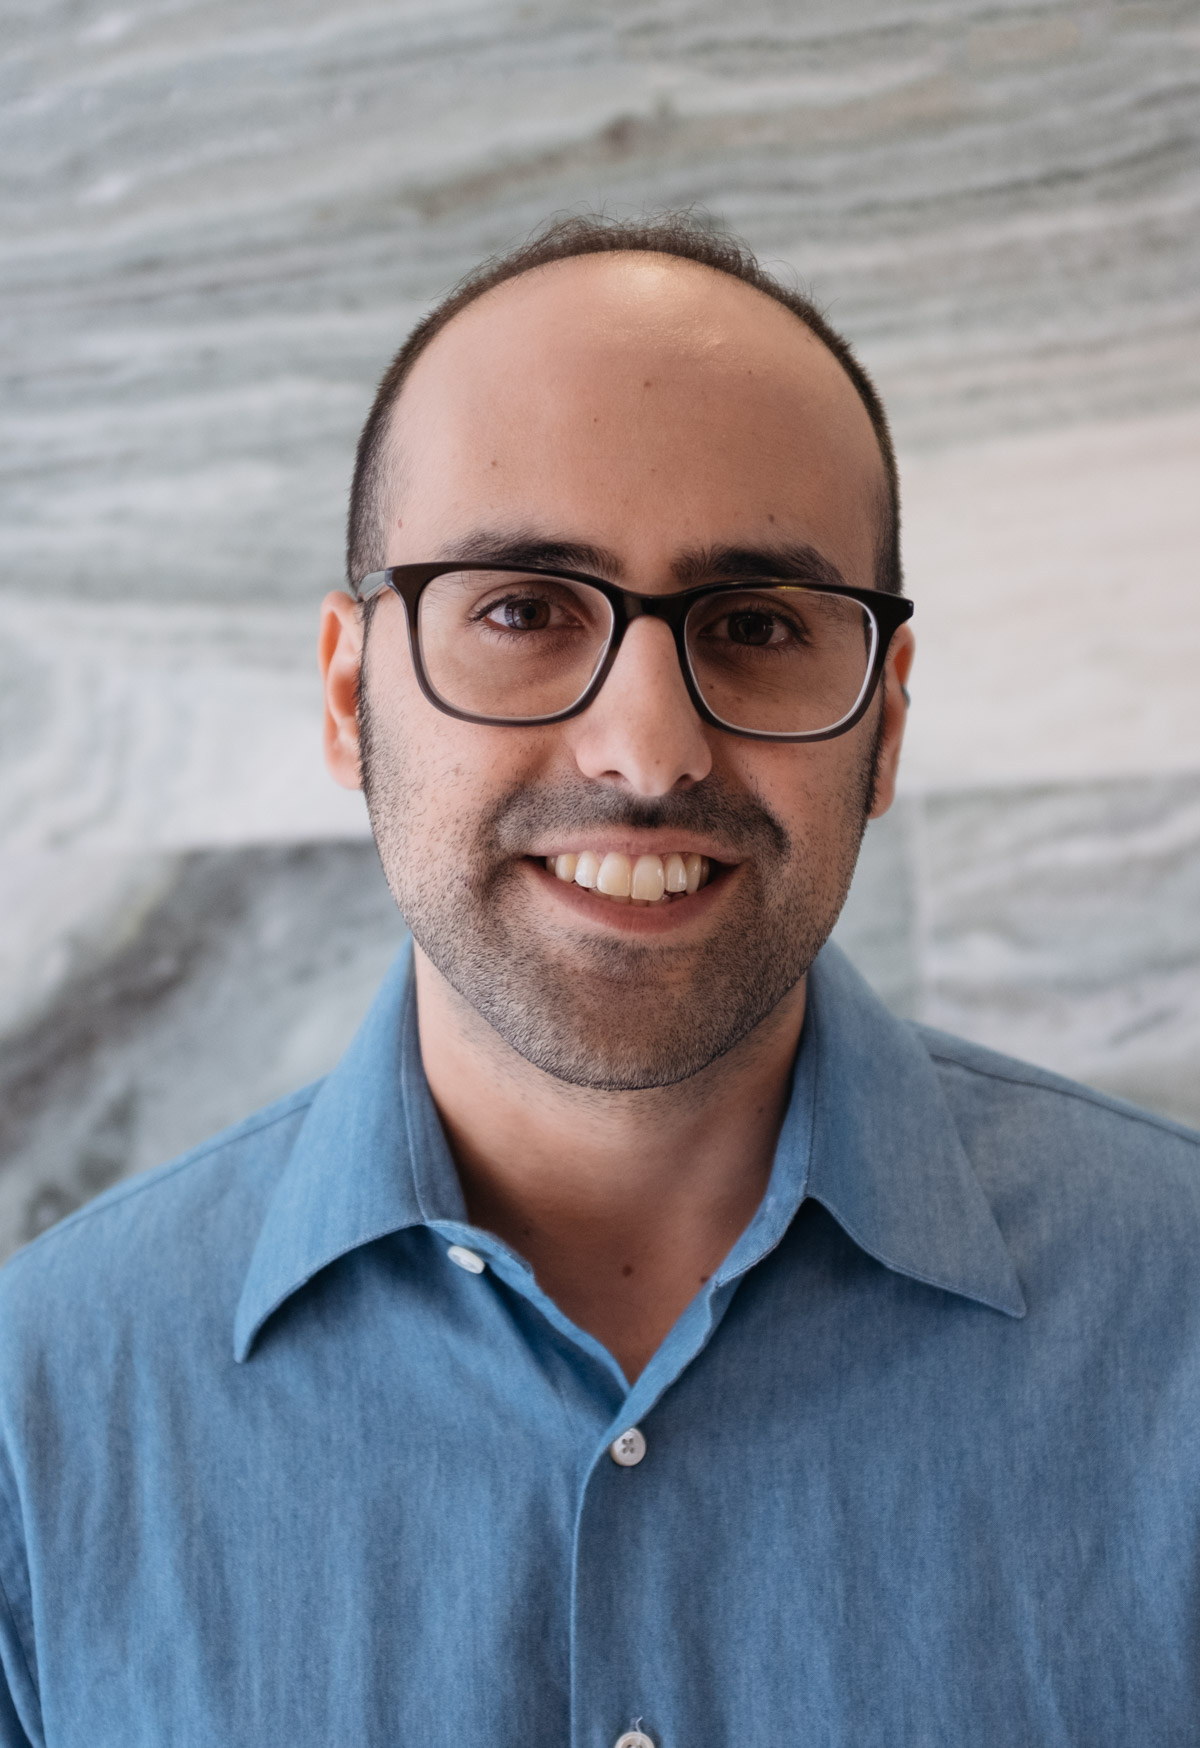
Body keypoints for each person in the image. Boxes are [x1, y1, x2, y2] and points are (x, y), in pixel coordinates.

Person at [1, 215, 1198, 1748]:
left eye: (755, 625)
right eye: (521, 610)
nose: (647, 751)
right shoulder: (41, 1407)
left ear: (886, 727)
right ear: (351, 693)